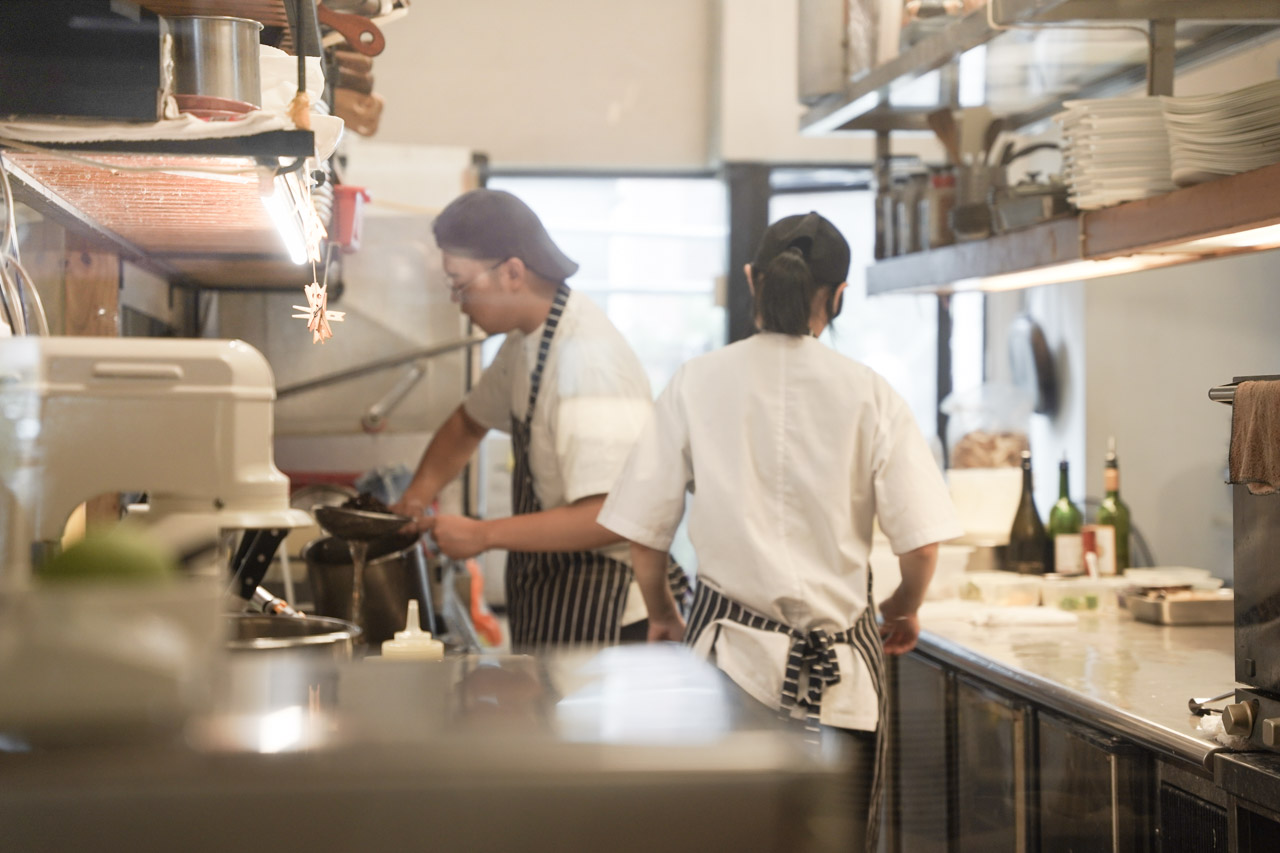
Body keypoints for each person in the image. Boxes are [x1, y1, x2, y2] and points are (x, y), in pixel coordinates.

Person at [596, 212, 962, 851]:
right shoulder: (872, 394)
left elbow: (646, 536)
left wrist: (661, 615)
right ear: (839, 297)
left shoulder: (696, 380)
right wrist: (903, 608)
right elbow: (921, 547)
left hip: (726, 675)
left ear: (751, 280)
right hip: (841, 682)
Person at [392, 188, 685, 651]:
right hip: (559, 593)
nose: (457, 301)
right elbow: (468, 423)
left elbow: (614, 516)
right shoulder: (525, 341)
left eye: (461, 284)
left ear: (512, 272)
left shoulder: (588, 363)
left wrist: (483, 534)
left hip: (613, 612)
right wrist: (414, 498)